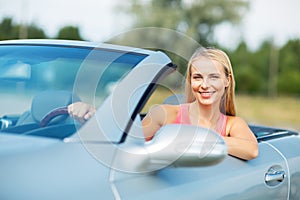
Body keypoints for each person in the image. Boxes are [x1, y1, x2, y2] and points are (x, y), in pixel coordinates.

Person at [68, 47, 258, 161]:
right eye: (198, 77)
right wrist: (94, 114)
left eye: (214, 77)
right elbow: (127, 137)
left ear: (227, 80)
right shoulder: (165, 114)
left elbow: (252, 150)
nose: (205, 85)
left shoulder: (233, 124)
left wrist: (194, 139)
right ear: (190, 81)